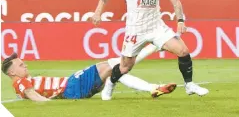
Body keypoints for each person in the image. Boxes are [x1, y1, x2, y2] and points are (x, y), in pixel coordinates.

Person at [91, 0, 208, 101]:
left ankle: (189, 84)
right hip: (135, 29)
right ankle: (111, 84)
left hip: (156, 26)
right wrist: (98, 12)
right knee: (125, 66)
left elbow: (175, 0)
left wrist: (180, 20)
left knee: (183, 51)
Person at [2, 52, 176, 102]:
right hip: (70, 87)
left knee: (114, 69)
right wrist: (51, 104)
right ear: (12, 73)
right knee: (114, 66)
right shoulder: (20, 82)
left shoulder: (21, 83)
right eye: (20, 65)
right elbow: (33, 96)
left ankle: (152, 87)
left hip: (71, 86)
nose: (25, 65)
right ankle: (152, 48)